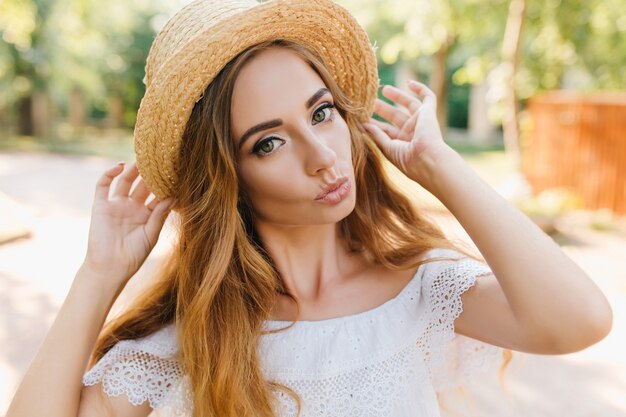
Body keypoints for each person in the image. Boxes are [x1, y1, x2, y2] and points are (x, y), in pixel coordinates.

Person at [7, 0, 613, 416]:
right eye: (268, 142)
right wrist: (99, 276)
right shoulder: (188, 339)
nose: (324, 156)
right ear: (230, 178)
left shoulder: (418, 289)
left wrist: (440, 167)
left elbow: (580, 321)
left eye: (322, 112)